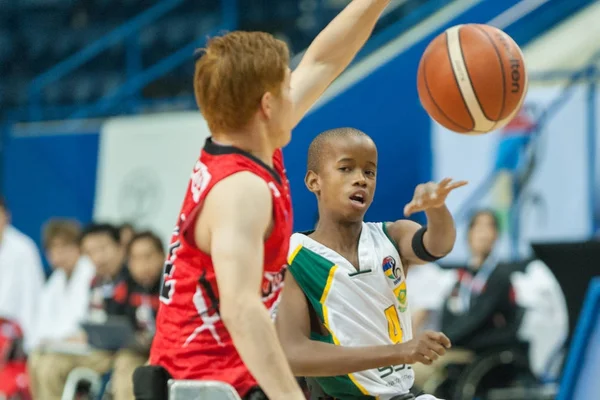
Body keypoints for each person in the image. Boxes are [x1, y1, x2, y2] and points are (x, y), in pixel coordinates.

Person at [143, 2, 392, 399]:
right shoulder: (241, 190)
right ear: (267, 105)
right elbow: (241, 310)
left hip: (222, 377)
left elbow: (325, 60)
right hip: (207, 385)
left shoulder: (249, 142)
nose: (295, 92)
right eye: (285, 86)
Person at [275, 128, 466, 400]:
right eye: (346, 168)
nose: (360, 180)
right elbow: (294, 354)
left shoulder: (393, 235)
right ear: (313, 181)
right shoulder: (295, 258)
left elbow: (438, 245)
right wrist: (401, 351)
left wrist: (436, 210)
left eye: (369, 172)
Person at [28, 219, 95, 399]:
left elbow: (87, 321)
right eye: (53, 249)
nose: (59, 254)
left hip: (89, 349)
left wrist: (70, 337)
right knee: (34, 360)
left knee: (49, 368)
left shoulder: (90, 273)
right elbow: (42, 323)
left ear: (78, 247)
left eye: (64, 247)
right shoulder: (55, 281)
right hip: (61, 347)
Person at [0, 196, 44, 352]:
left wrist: (28, 338)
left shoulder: (24, 249)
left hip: (14, 328)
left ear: (6, 216)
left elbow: (32, 298)